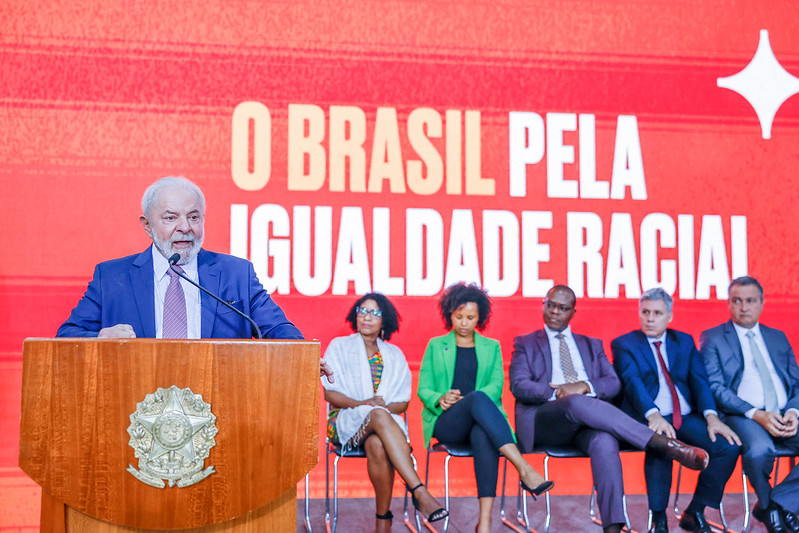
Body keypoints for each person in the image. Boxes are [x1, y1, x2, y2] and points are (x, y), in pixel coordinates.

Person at [56, 176, 333, 380]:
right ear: (148, 226)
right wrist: (99, 337)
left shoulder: (236, 274)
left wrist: (304, 356)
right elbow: (66, 337)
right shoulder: (112, 277)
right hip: (134, 407)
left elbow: (276, 329)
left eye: (193, 217)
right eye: (170, 218)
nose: (185, 228)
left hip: (219, 406)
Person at [510, 284, 714, 533]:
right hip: (547, 420)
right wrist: (560, 391)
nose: (554, 312)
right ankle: (661, 444)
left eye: (562, 307)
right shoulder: (525, 343)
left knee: (605, 441)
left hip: (587, 423)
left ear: (573, 312)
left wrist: (584, 385)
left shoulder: (591, 344)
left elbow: (613, 383)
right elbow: (519, 386)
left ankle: (613, 527)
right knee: (574, 402)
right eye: (549, 304)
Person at [417, 282, 553, 533]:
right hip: (448, 421)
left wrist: (472, 400)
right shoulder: (437, 345)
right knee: (478, 399)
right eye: (459, 316)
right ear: (450, 314)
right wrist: (440, 398)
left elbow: (496, 387)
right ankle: (523, 468)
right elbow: (423, 388)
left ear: (480, 317)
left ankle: (485, 523)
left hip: (480, 422)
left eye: (470, 317)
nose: (464, 323)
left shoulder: (491, 347)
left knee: (483, 432)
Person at [611, 288, 741, 533]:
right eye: (645, 312)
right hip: (645, 417)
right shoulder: (624, 344)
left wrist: (711, 417)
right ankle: (658, 519)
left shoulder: (684, 341)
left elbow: (699, 380)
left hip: (684, 415)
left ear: (669, 316)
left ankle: (695, 511)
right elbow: (632, 382)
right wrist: (654, 414)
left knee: (728, 446)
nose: (650, 318)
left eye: (657, 313)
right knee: (662, 445)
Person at [322, 293, 447, 531]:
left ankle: (383, 520)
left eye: (375, 312)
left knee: (377, 444)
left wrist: (378, 409)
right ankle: (419, 492)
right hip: (344, 423)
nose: (367, 316)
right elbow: (330, 394)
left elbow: (402, 403)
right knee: (378, 414)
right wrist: (367, 404)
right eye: (363, 310)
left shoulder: (394, 354)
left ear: (385, 320)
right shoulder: (340, 346)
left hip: (381, 430)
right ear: (355, 314)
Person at [700, 276, 799, 533]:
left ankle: (774, 504)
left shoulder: (777, 337)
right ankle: (773, 507)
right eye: (737, 301)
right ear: (729, 303)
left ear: (762, 303)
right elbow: (715, 387)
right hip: (744, 415)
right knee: (757, 453)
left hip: (784, 413)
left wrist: (793, 411)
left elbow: (797, 384)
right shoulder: (713, 337)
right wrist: (756, 414)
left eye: (750, 301)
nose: (744, 307)